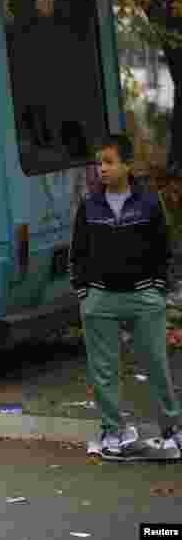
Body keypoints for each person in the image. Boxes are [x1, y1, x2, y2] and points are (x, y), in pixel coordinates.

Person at [70, 133, 182, 460]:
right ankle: (113, 432)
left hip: (144, 297)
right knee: (103, 370)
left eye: (108, 162)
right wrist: (84, 292)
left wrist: (158, 287)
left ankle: (172, 430)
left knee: (157, 364)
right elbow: (78, 253)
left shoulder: (148, 203)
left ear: (126, 165)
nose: (101, 169)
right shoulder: (90, 206)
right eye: (98, 163)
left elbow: (164, 248)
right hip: (100, 300)